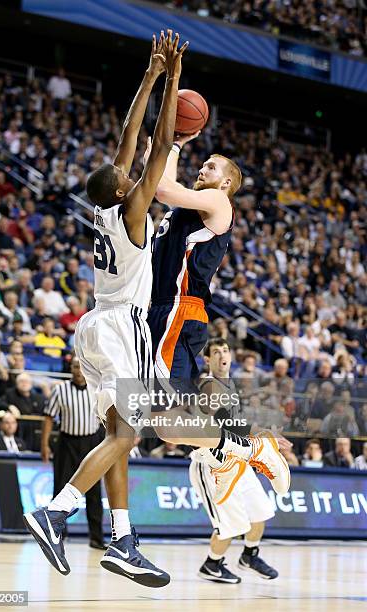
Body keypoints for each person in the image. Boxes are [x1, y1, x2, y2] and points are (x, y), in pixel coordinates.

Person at [23, 30, 187, 587]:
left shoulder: (106, 209)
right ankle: (57, 510)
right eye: (127, 176)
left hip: (93, 327)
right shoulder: (134, 211)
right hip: (123, 328)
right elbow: (159, 145)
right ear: (122, 190)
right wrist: (175, 79)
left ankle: (121, 539)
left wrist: (148, 75)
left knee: (120, 431)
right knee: (126, 435)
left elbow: (128, 139)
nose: (130, 171)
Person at [145, 129, 290, 504]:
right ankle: (237, 449)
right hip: (167, 313)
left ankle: (248, 449)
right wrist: (160, 151)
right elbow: (160, 184)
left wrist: (175, 144)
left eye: (211, 166)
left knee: (166, 423)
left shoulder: (217, 201)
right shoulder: (189, 207)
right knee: (169, 427)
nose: (203, 168)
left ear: (226, 182)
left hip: (177, 310)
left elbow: (161, 188)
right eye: (204, 163)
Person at [189, 339, 277, 583]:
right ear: (207, 359)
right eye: (215, 352)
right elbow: (203, 423)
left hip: (238, 462)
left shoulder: (230, 386)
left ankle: (250, 555)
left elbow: (236, 424)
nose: (221, 355)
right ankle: (211, 564)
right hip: (212, 464)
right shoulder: (208, 385)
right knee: (230, 525)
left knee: (261, 512)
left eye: (225, 350)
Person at [42, 356, 105, 549]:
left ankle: (96, 537)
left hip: (92, 443)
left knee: (94, 492)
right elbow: (49, 417)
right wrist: (44, 444)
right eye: (74, 366)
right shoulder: (60, 389)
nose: (78, 370)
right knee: (60, 489)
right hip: (66, 443)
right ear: (70, 368)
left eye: (80, 367)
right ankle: (57, 534)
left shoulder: (97, 389)